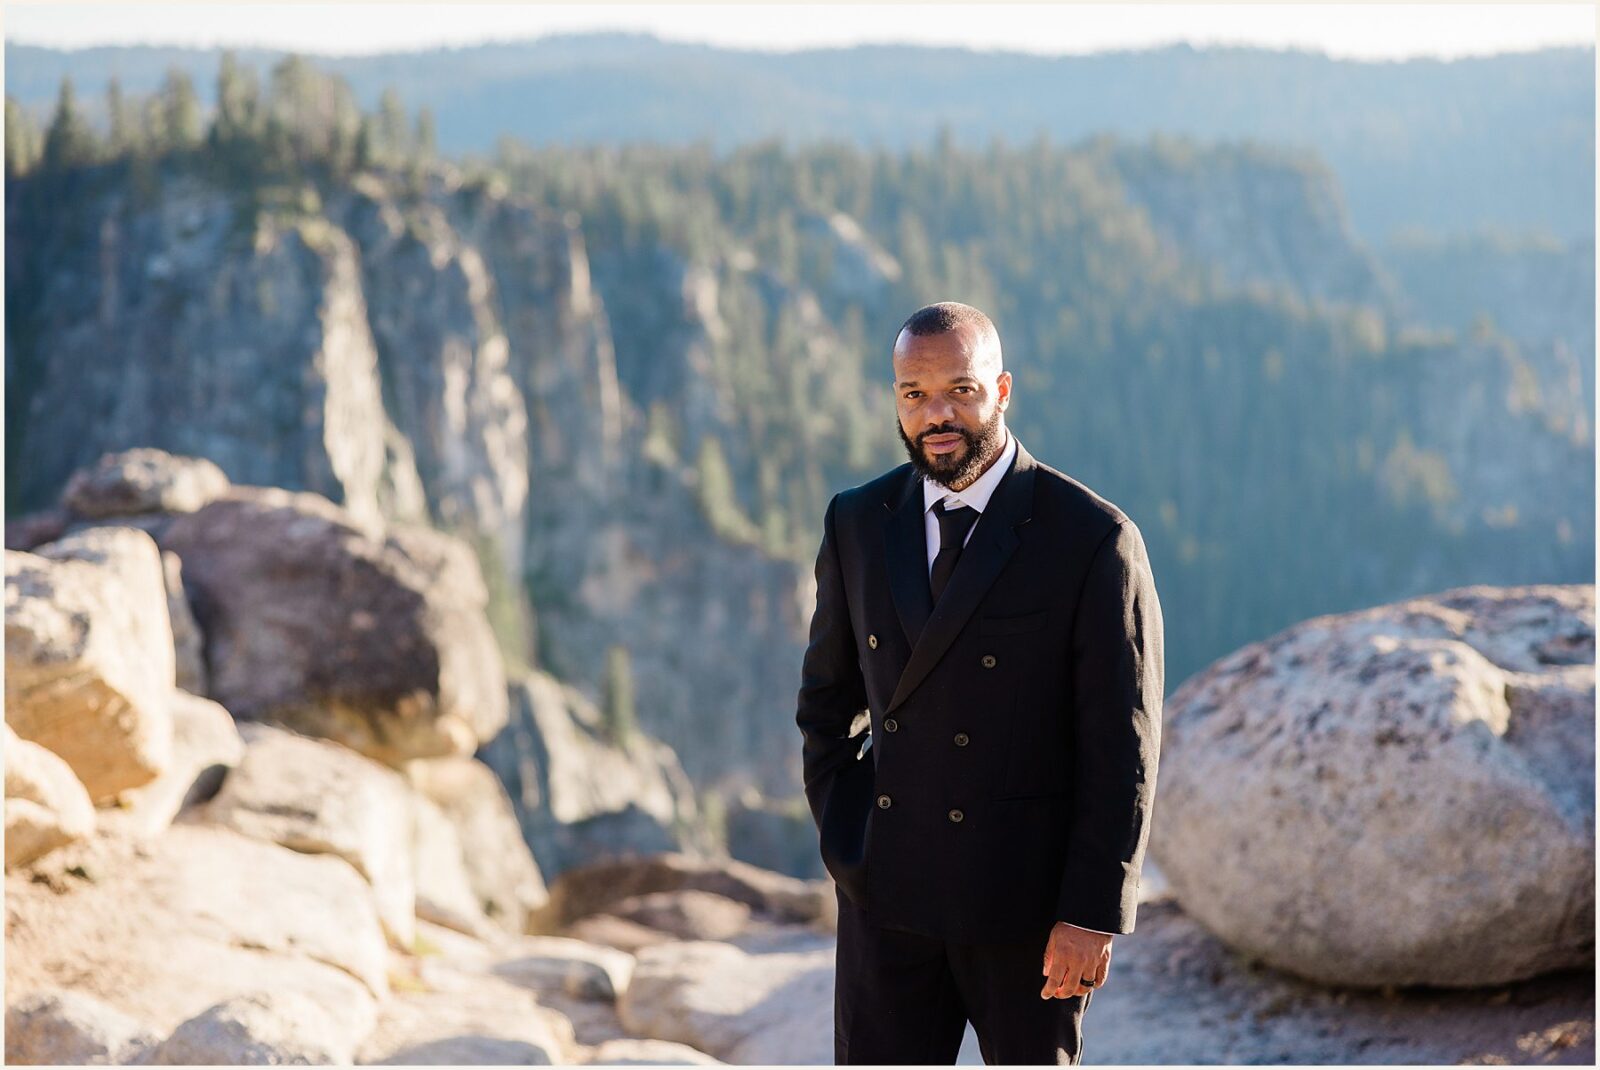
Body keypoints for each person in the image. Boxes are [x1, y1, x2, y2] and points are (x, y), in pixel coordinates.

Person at [795, 301, 1164, 1065]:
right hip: (887, 899)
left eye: (959, 390)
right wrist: (847, 840)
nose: (937, 415)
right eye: (914, 394)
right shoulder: (859, 522)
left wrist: (1092, 914)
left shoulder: (1091, 539)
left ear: (1001, 390)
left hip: (1025, 913)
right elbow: (826, 704)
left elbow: (1121, 747)